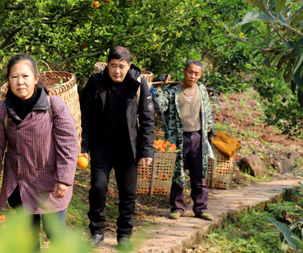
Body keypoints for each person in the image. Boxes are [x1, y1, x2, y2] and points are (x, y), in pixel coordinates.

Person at [0, 54, 78, 251]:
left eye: (25, 76)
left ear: (36, 78)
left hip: (49, 182)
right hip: (20, 182)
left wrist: (64, 178)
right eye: (14, 77)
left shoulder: (54, 107)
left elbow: (68, 144)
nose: (20, 82)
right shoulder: (2, 110)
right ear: (8, 81)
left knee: (55, 231)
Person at [80, 46, 155, 251]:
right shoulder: (96, 82)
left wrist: (147, 151)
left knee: (128, 193)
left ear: (129, 65)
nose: (117, 71)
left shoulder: (139, 84)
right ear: (107, 65)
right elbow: (85, 116)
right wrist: (83, 147)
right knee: (98, 187)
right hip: (101, 145)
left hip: (127, 147)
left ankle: (124, 235)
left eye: (122, 66)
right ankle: (96, 232)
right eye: (113, 66)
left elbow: (147, 120)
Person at [153, 60, 215, 221]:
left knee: (199, 173)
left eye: (196, 73)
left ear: (200, 75)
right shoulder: (172, 91)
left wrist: (209, 131)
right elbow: (159, 105)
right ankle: (177, 208)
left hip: (198, 137)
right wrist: (158, 87)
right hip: (176, 139)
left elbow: (207, 112)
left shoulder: (202, 90)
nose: (193, 76)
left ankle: (201, 208)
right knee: (177, 173)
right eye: (190, 72)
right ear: (184, 71)